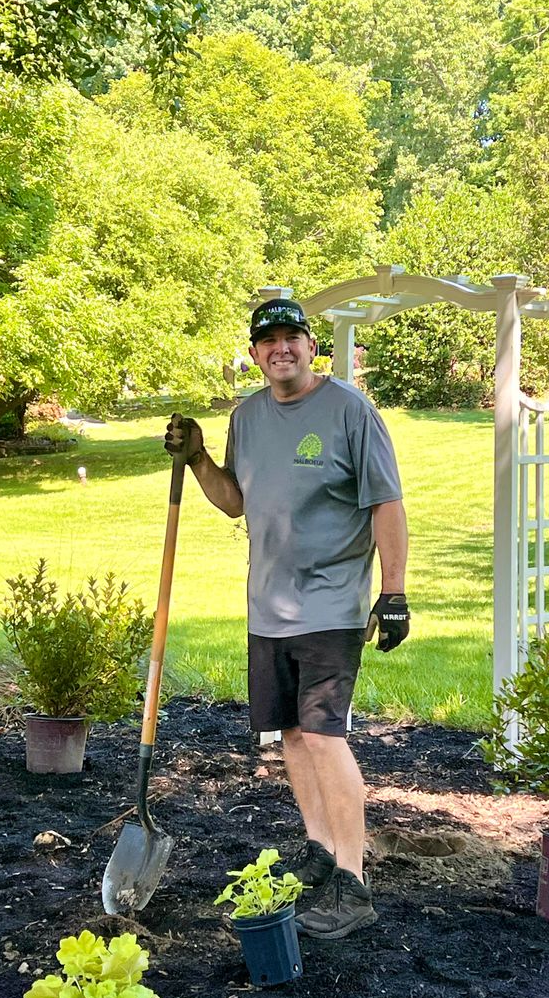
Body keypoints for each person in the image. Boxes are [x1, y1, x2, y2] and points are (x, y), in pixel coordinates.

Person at [165, 298, 409, 940]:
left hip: (331, 602)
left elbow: (386, 502)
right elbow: (235, 502)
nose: (281, 349)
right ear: (255, 353)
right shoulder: (246, 417)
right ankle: (320, 850)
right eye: (268, 340)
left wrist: (393, 592)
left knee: (324, 734)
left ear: (311, 346)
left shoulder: (350, 411)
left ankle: (352, 881)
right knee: (292, 735)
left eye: (292, 337)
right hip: (268, 605)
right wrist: (198, 460)